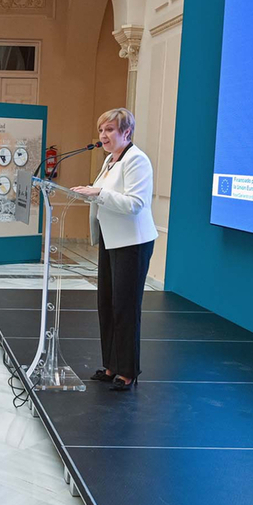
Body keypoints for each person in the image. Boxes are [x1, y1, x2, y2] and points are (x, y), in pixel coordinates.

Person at [71, 108, 157, 392]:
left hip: (133, 242)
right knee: (107, 304)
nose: (103, 136)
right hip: (111, 239)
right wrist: (88, 193)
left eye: (109, 130)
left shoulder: (137, 160)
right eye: (101, 130)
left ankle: (128, 371)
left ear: (126, 132)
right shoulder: (110, 160)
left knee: (125, 307)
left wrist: (98, 193)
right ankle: (111, 365)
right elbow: (103, 196)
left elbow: (135, 204)